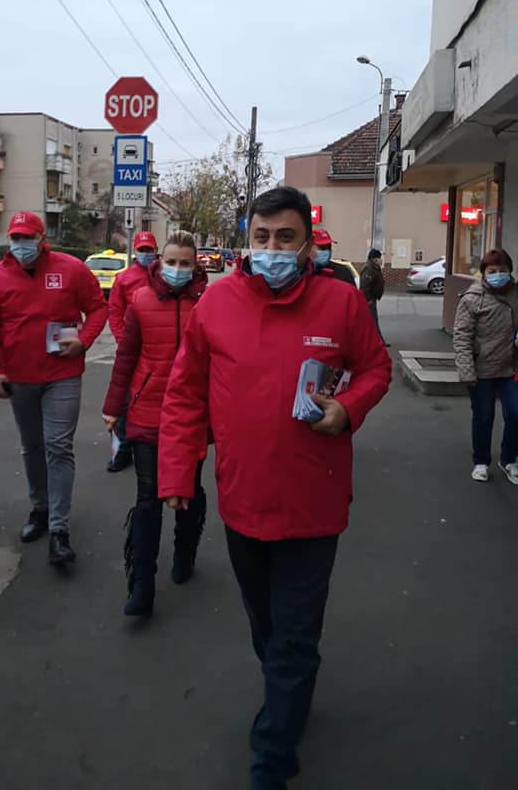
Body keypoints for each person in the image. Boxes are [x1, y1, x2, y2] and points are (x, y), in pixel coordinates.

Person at [158, 186, 391, 790]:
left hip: (314, 505)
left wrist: (349, 409)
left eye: (285, 238)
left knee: (292, 637)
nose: (272, 249)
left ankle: (272, 760)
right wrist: (178, 473)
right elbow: (185, 395)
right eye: (261, 238)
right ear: (247, 239)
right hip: (243, 502)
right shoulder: (216, 305)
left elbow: (376, 368)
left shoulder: (341, 304)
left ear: (307, 242)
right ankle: (291, 693)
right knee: (267, 628)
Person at [0, 211, 108, 564]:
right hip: (20, 378)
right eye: (15, 238)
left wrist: (83, 340)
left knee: (58, 445)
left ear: (41, 238)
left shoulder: (70, 269)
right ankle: (39, 506)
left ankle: (59, 528)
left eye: (28, 237)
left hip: (62, 374)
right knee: (32, 446)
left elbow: (98, 308)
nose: (22, 245)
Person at [102, 231, 208, 617]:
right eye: (171, 261)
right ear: (159, 262)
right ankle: (142, 583)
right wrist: (114, 406)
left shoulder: (209, 304)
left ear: (196, 264)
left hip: (193, 415)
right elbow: (125, 358)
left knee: (189, 492)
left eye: (185, 262)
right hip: (148, 411)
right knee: (148, 499)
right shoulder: (141, 301)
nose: (177, 269)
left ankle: (185, 552)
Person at [453, 248, 518, 484]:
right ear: (483, 273)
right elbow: (461, 336)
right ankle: (481, 461)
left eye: (503, 271)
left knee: (516, 414)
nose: (498, 275)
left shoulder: (515, 294)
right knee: (484, 417)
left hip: (510, 369)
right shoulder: (472, 298)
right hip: (482, 370)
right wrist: (466, 370)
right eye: (492, 271)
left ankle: (509, 459)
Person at [106, 230, 160, 473]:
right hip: (131, 350)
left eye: (150, 250)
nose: (146, 254)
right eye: (142, 250)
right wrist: (121, 340)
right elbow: (115, 311)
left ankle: (154, 446)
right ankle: (123, 450)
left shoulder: (162, 276)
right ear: (136, 251)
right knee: (125, 402)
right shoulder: (125, 279)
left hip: (156, 349)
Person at [360, 247, 389, 346]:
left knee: (370, 320)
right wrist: (367, 299)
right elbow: (365, 285)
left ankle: (375, 340)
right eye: (379, 258)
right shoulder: (369, 268)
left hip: (372, 298)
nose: (380, 260)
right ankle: (379, 341)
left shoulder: (373, 267)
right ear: (374, 258)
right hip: (369, 299)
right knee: (373, 319)